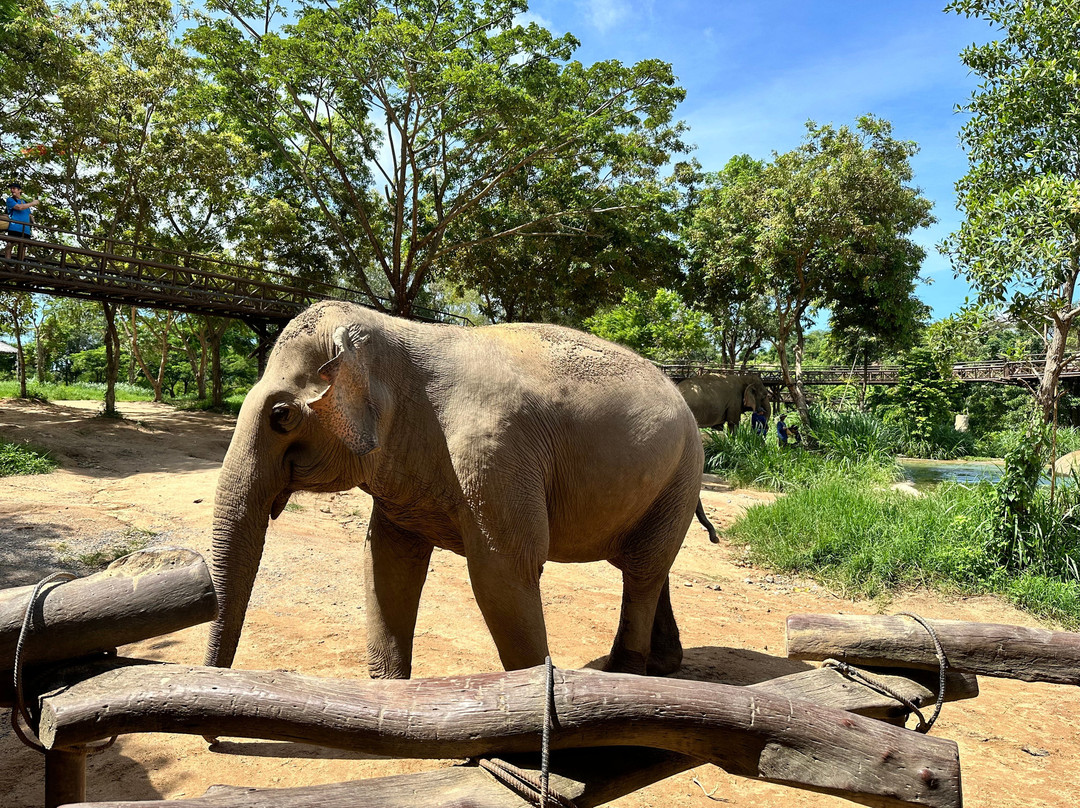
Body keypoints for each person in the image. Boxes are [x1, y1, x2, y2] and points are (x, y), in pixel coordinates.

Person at [5, 182, 40, 261]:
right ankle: (7, 263)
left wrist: (34, 224)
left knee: (23, 248)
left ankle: (19, 266)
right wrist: (32, 203)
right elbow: (19, 207)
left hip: (26, 229)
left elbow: (29, 215)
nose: (12, 190)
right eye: (11, 188)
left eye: (14, 188)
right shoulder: (10, 200)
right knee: (10, 245)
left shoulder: (24, 202)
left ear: (19, 190)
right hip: (14, 227)